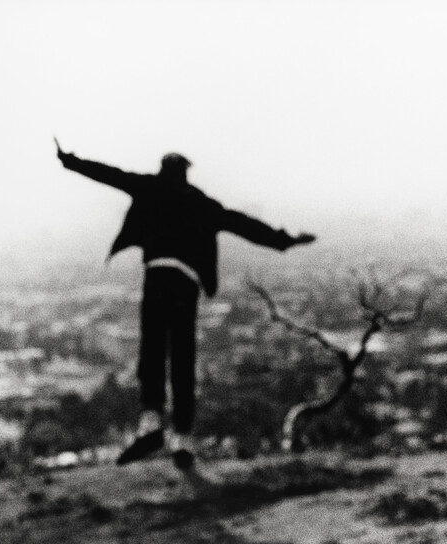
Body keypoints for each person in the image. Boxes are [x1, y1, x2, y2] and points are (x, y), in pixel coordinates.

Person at [54, 139, 316, 468]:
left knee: (152, 349)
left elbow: (108, 174)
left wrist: (70, 161)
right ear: (186, 173)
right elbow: (244, 225)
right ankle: (182, 436)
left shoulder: (148, 186)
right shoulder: (202, 203)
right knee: (182, 356)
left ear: (163, 169)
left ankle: (151, 421)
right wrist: (285, 240)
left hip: (157, 275)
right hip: (186, 283)